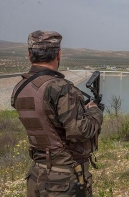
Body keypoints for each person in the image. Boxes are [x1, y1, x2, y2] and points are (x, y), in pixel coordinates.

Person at [11, 30, 103, 196]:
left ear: (29, 56)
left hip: (37, 174)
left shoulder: (20, 87)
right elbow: (78, 131)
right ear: (58, 55)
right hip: (64, 180)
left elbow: (44, 118)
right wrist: (95, 112)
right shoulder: (60, 88)